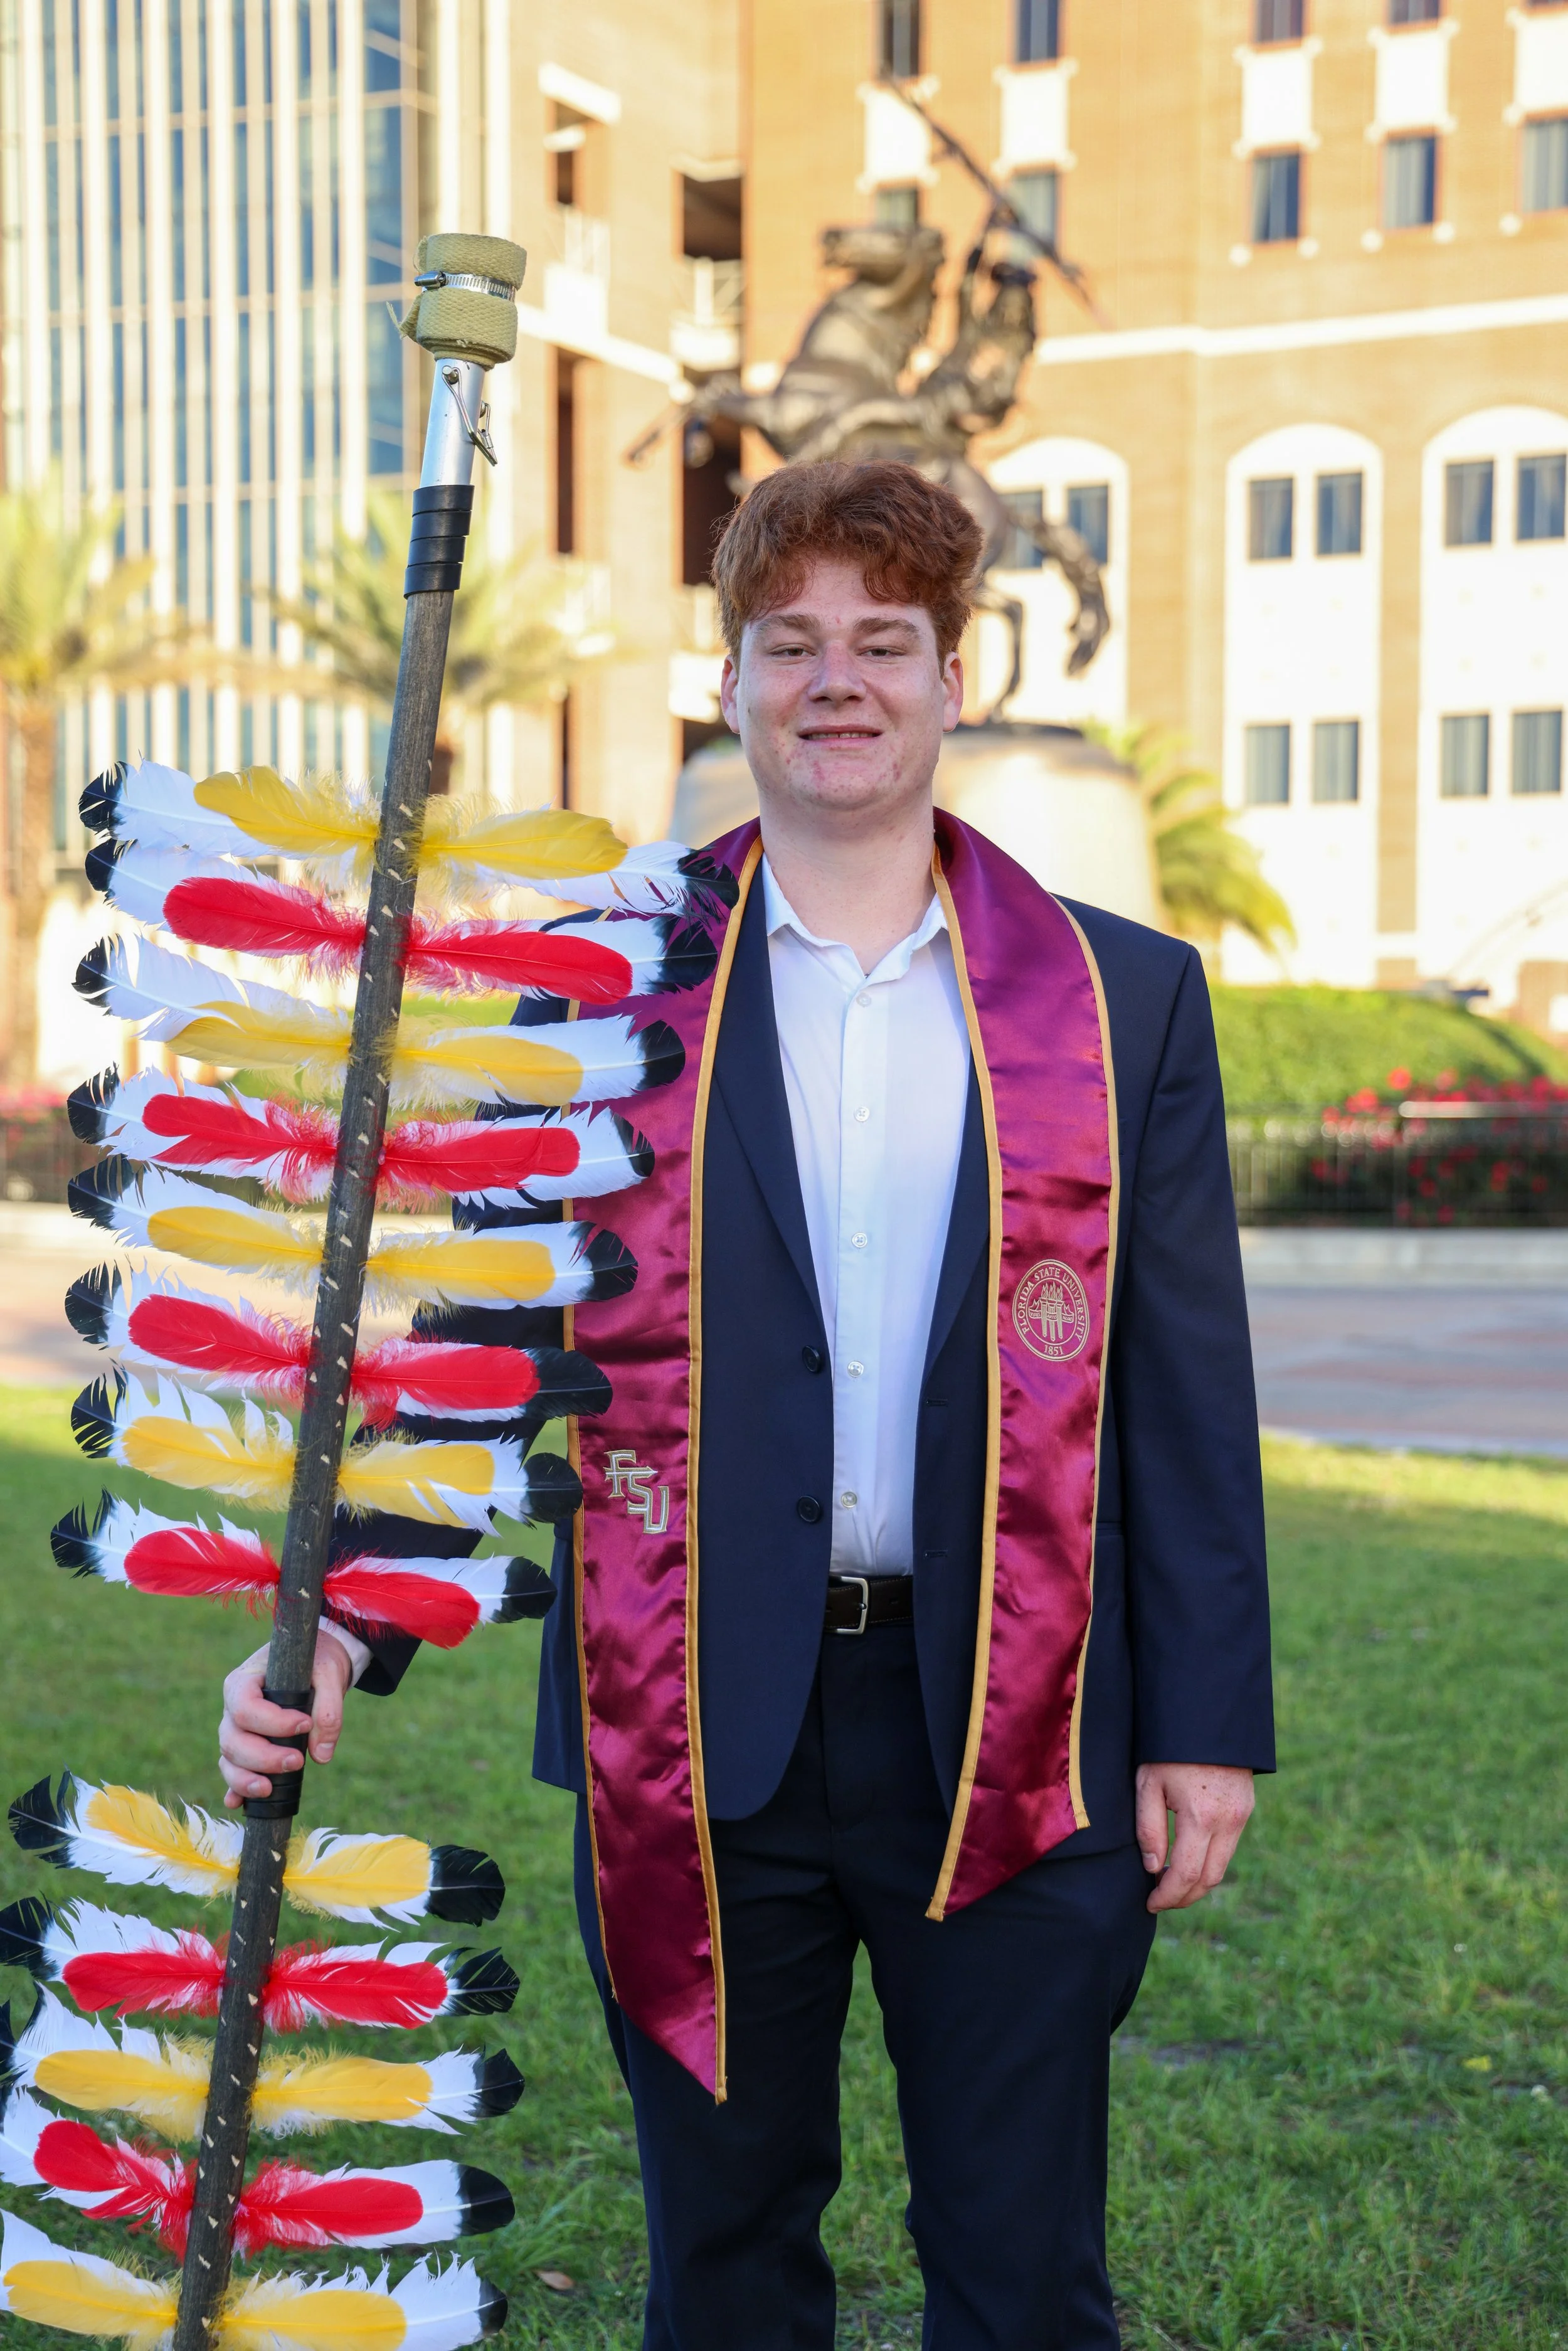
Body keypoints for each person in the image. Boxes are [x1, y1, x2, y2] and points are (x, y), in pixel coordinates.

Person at [218, 460, 1274, 2351]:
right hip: (692, 1721)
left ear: (955, 676)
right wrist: (341, 1629)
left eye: (884, 641)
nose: (837, 680)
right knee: (721, 2261)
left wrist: (1204, 1722)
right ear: (730, 682)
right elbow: (482, 1338)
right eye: (790, 643)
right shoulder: (605, 998)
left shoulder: (1122, 1005)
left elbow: (1182, 1392)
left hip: (1021, 1726)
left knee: (1023, 2267)